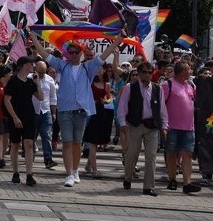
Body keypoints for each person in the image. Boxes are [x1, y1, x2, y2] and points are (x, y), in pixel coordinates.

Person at [30, 32, 123, 188]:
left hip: (80, 111)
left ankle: (75, 170)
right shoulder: (62, 65)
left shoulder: (89, 67)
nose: (73, 55)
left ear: (81, 53)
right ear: (67, 54)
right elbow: (45, 54)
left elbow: (105, 54)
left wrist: (118, 40)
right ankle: (69, 175)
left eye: (76, 52)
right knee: (67, 142)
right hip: (64, 110)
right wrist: (33, 38)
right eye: (71, 52)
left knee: (77, 144)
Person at [117, 61, 168, 196]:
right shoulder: (130, 87)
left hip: (152, 126)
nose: (147, 75)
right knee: (132, 153)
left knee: (151, 156)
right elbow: (122, 106)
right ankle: (127, 177)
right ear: (138, 74)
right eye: (144, 72)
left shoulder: (158, 88)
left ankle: (148, 186)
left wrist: (164, 126)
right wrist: (122, 122)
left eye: (149, 72)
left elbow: (162, 109)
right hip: (135, 125)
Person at [3, 57, 44, 186]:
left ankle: (29, 174)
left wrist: (38, 84)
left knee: (29, 144)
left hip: (29, 116)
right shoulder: (13, 81)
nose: (31, 66)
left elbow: (40, 97)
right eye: (29, 64)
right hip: (15, 116)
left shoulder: (30, 82)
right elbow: (7, 100)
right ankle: (15, 172)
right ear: (22, 66)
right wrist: (14, 117)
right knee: (15, 144)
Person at [163, 61, 202, 194]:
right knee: (171, 153)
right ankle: (172, 179)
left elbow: (198, 99)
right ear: (181, 71)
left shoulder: (191, 85)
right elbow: (161, 105)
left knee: (187, 154)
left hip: (188, 127)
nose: (190, 72)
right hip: (171, 126)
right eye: (188, 70)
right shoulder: (167, 84)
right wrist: (164, 124)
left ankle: (187, 183)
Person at [83, 66, 114, 178]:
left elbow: (110, 97)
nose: (98, 70)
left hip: (102, 111)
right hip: (91, 111)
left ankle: (89, 163)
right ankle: (94, 169)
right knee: (92, 141)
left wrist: (107, 100)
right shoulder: (91, 82)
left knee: (96, 141)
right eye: (97, 69)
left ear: (104, 70)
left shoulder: (107, 84)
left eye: (101, 69)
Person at [33, 60, 58, 169]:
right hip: (33, 111)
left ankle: (48, 159)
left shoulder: (50, 80)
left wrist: (53, 113)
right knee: (32, 136)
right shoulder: (30, 78)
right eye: (39, 72)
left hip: (45, 110)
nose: (41, 75)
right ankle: (30, 157)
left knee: (46, 134)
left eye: (43, 72)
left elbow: (53, 97)